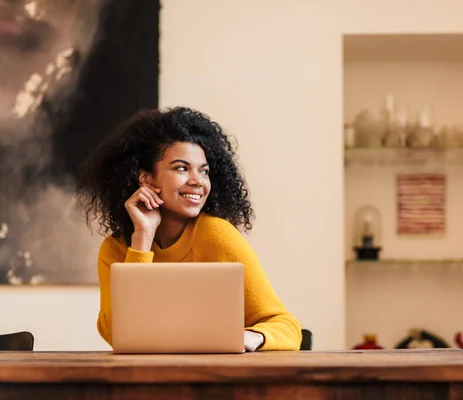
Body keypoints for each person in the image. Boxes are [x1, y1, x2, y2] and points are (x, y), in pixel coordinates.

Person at [76, 106, 302, 351]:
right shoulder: (115, 250)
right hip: (142, 378)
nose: (197, 181)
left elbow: (286, 326)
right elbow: (116, 333)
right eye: (181, 168)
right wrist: (142, 237)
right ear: (147, 179)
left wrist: (250, 337)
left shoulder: (216, 235)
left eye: (203, 171)